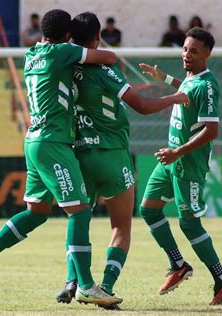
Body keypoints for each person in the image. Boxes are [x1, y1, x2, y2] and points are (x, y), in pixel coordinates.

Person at [0, 9, 122, 307]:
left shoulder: (31, 53)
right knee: (79, 211)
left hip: (33, 139)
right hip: (53, 141)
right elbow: (108, 58)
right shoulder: (63, 51)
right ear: (66, 36)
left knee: (37, 212)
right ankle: (86, 285)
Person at [55, 12, 190, 309]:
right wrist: (174, 98)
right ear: (97, 38)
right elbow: (141, 105)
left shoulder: (62, 68)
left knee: (78, 219)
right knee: (121, 227)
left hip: (78, 153)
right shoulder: (105, 67)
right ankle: (106, 286)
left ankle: (71, 279)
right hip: (112, 155)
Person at [138, 27, 222, 305]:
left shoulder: (207, 85)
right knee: (148, 209)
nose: (186, 55)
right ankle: (178, 264)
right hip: (170, 160)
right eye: (184, 49)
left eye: (193, 51)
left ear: (207, 53)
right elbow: (185, 91)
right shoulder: (191, 79)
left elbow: (212, 130)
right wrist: (165, 79)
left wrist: (178, 151)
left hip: (187, 164)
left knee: (189, 223)